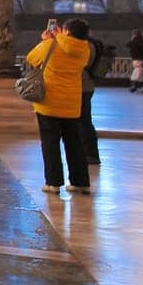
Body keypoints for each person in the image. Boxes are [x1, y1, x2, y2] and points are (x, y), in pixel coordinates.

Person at [26, 19, 94, 195]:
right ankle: (80, 182)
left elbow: (31, 58)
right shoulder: (84, 49)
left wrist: (45, 40)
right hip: (71, 103)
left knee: (50, 142)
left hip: (49, 102)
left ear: (66, 31)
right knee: (74, 143)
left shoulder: (50, 45)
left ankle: (53, 182)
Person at [81, 29, 110, 166]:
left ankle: (90, 154)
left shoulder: (85, 46)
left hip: (82, 85)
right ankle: (88, 153)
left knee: (83, 121)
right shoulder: (93, 44)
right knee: (84, 120)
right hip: (87, 85)